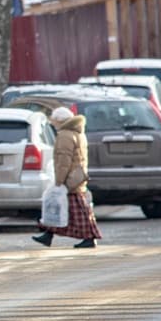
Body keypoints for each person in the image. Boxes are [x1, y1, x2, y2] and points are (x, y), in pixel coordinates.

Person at [33, 106, 102, 249]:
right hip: (76, 176)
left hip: (70, 179)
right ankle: (48, 234)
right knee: (61, 208)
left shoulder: (65, 134)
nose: (52, 123)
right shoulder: (77, 132)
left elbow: (63, 160)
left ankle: (90, 237)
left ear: (60, 120)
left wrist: (59, 181)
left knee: (76, 210)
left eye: (54, 120)